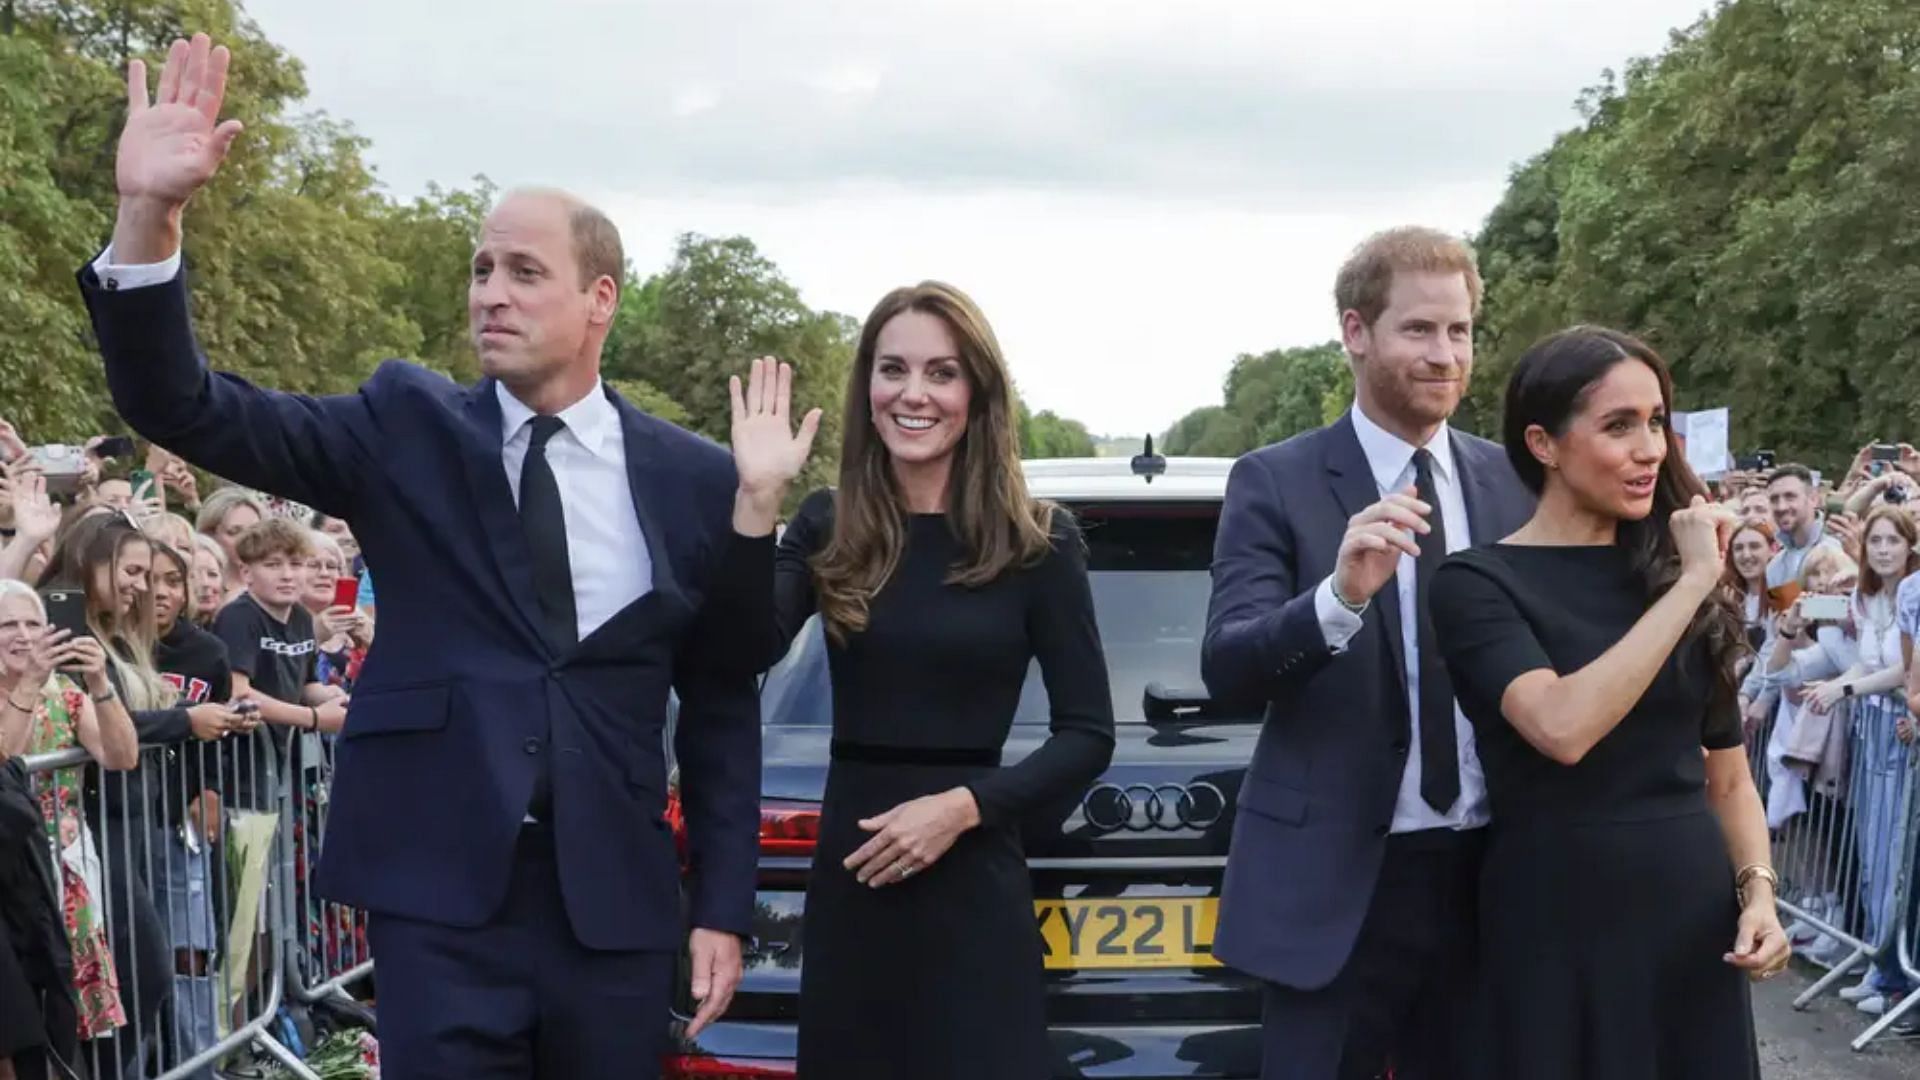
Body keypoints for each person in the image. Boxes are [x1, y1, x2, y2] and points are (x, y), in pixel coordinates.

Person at [82, 33, 771, 1077]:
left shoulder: (691, 477)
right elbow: (184, 405)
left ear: (602, 300)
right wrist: (150, 218)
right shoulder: (401, 425)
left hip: (617, 906)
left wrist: (720, 905)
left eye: (525, 272)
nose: (490, 291)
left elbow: (720, 701)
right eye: (481, 267)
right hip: (442, 901)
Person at [731, 283, 1115, 1078]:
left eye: (941, 373)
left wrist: (963, 808)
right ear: (866, 387)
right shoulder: (827, 524)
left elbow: (1088, 735)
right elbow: (739, 652)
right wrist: (756, 499)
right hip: (855, 884)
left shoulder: (1038, 541)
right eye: (892, 369)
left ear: (976, 394)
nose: (914, 393)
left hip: (974, 887)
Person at [1201, 227, 1533, 1078]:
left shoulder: (1511, 482)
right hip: (1338, 889)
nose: (1444, 354)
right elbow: (1231, 668)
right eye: (1418, 330)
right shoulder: (1275, 481)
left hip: (1490, 884)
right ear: (1356, 332)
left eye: (1459, 331)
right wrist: (1339, 597)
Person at [1429, 327, 1785, 1078]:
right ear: (1545, 443)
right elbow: (1562, 726)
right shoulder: (1477, 583)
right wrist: (1692, 583)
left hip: (1691, 920)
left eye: (1656, 421)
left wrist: (1759, 895)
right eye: (1619, 425)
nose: (1651, 447)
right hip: (1555, 921)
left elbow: (1728, 778)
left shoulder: (1669, 572)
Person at [1, 579, 140, 1053]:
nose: (23, 635)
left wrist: (99, 681)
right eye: (7, 625)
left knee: (65, 1017)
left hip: (64, 878)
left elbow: (122, 756)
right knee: (19, 1027)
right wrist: (28, 685)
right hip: (10, 885)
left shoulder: (63, 692)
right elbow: (5, 760)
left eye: (33, 624)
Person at [1765, 464, 1841, 591]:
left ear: (1813, 499)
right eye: (1774, 499)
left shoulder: (1838, 550)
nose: (1781, 507)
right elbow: (1779, 610)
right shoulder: (1775, 567)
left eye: (1790, 497)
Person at [194, 488, 264, 602]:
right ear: (210, 536)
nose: (248, 539)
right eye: (234, 532)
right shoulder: (202, 589)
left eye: (255, 530)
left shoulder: (276, 586)